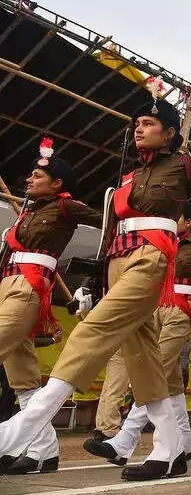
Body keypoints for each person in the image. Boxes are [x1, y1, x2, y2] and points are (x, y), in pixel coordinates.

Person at [0, 98, 191, 481]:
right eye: (136, 123)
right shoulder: (126, 179)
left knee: (94, 330)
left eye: (148, 123)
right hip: (118, 260)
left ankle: (21, 428)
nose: (138, 128)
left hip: (150, 259)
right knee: (143, 359)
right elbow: (108, 233)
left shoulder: (182, 166)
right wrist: (88, 284)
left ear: (169, 133)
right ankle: (169, 448)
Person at [84, 201, 191, 465]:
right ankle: (184, 442)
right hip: (156, 307)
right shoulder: (165, 241)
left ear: (190, 221)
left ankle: (125, 441)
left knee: (154, 370)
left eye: (178, 216)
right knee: (170, 383)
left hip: (181, 310)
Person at [0, 139, 103, 474]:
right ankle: (44, 452)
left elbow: (108, 221)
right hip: (8, 284)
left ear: (57, 184)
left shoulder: (66, 207)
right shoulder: (27, 213)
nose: (29, 180)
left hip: (29, 289)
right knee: (23, 380)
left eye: (36, 175)